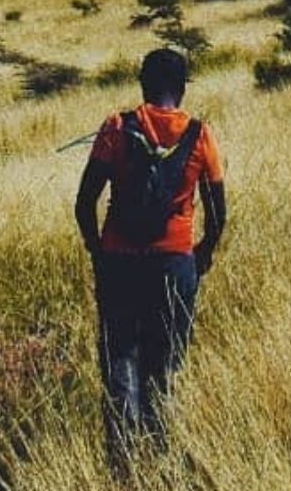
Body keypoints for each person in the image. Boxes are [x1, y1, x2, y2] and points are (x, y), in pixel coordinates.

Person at [74, 47, 227, 470]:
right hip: (175, 264)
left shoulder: (116, 127)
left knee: (120, 358)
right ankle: (160, 457)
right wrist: (202, 256)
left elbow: (85, 203)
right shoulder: (200, 134)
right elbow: (218, 214)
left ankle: (121, 465)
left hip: (120, 262)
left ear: (143, 83)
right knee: (163, 365)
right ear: (181, 88)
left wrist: (98, 251)